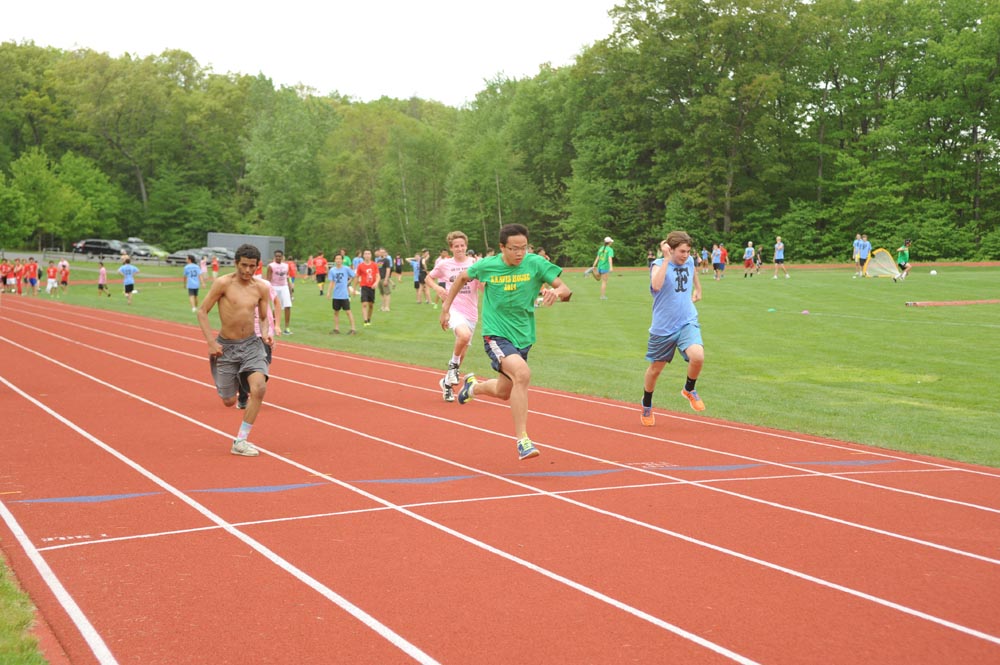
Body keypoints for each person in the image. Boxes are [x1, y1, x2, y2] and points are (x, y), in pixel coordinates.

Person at [443, 223, 572, 460]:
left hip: (523, 336)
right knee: (522, 374)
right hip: (496, 334)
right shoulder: (487, 265)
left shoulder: (535, 263)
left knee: (504, 391)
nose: (519, 253)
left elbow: (565, 288)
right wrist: (445, 308)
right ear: (502, 247)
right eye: (514, 248)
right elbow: (462, 277)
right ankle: (523, 440)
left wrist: (557, 292)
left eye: (523, 248)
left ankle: (474, 387)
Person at [197, 244, 274, 457]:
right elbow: (202, 311)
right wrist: (211, 342)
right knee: (229, 401)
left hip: (251, 344)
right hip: (226, 347)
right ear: (236, 263)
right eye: (243, 265)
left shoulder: (261, 288)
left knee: (258, 388)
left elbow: (264, 316)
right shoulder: (222, 283)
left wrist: (267, 333)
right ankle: (240, 380)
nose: (247, 271)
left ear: (258, 266)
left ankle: (240, 440)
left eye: (252, 266)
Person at [641, 231, 706, 427]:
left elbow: (693, 271)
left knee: (698, 356)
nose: (685, 255)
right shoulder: (659, 265)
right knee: (655, 370)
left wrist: (698, 288)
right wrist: (667, 259)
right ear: (671, 250)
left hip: (687, 320)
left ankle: (688, 389)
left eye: (687, 251)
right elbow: (656, 285)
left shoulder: (689, 262)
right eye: (681, 252)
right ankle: (646, 404)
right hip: (663, 327)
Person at [426, 230, 480, 402]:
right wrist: (437, 288)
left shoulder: (474, 263)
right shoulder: (445, 265)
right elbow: (428, 278)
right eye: (456, 246)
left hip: (471, 311)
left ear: (466, 246)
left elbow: (482, 284)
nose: (459, 248)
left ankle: (446, 383)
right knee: (463, 336)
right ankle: (452, 367)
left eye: (462, 245)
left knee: (463, 349)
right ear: (451, 248)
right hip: (453, 308)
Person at [328, 253, 357, 334]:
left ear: (342, 260)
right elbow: (331, 282)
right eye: (336, 259)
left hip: (344, 295)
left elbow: (354, 276)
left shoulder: (346, 269)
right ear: (334, 260)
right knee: (336, 312)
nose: (338, 260)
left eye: (339, 259)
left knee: (348, 311)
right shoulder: (332, 270)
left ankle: (353, 329)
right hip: (336, 295)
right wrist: (329, 292)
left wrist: (348, 282)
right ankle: (336, 329)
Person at [266, 249, 293, 334]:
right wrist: (268, 291)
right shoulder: (271, 266)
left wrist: (290, 291)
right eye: (276, 256)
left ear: (282, 257)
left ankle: (287, 327)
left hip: (284, 286)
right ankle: (275, 326)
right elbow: (268, 279)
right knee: (275, 308)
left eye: (279, 256)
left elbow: (287, 278)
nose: (278, 257)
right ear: (274, 257)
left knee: (288, 306)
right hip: (275, 287)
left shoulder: (286, 266)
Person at [355, 249, 379, 326]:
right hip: (364, 286)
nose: (367, 255)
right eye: (366, 254)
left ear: (371, 255)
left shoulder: (374, 265)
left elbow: (378, 276)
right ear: (363, 255)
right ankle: (365, 321)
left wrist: (376, 282)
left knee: (371, 305)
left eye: (369, 254)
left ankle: (369, 319)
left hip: (372, 287)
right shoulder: (360, 265)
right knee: (364, 304)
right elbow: (357, 276)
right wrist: (354, 288)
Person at [376, 247, 393, 312]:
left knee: (387, 293)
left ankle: (387, 307)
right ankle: (382, 307)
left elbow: (388, 270)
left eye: (383, 252)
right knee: (382, 293)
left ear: (385, 253)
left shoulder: (387, 260)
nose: (382, 253)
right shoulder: (378, 260)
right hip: (379, 279)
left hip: (384, 278)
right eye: (381, 252)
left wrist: (386, 279)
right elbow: (378, 270)